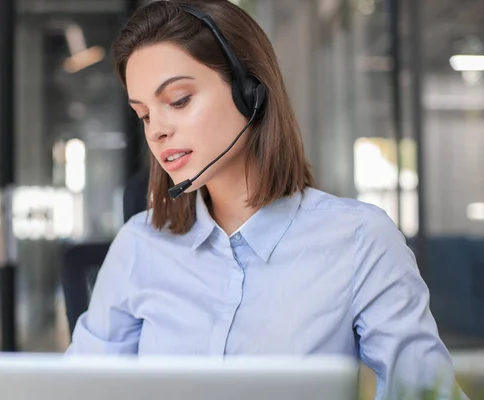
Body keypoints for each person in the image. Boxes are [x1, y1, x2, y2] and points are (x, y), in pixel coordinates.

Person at [67, 1, 466, 399]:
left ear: (249, 93)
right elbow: (76, 389)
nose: (157, 132)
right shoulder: (140, 245)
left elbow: (426, 392)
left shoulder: (360, 240)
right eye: (145, 115)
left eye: (178, 100)